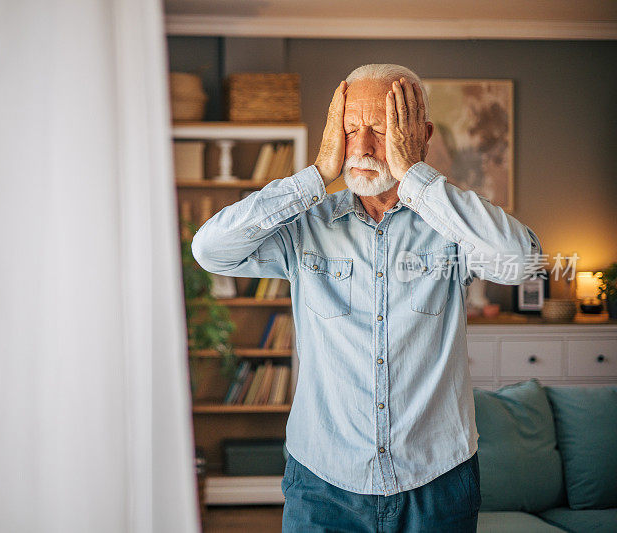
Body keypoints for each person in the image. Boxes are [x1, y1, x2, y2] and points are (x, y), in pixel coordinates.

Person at [190, 63, 542, 532]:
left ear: (423, 134)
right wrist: (316, 174)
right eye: (348, 128)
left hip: (436, 480)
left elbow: (523, 262)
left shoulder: (450, 224)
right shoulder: (306, 227)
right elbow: (210, 250)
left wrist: (415, 176)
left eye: (381, 128)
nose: (361, 146)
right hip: (322, 482)